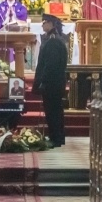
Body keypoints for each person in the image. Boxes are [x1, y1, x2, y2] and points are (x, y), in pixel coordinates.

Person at [35, 14, 68, 147]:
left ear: (52, 24)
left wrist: (43, 81)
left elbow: (51, 65)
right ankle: (58, 136)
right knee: (55, 110)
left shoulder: (53, 41)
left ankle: (56, 138)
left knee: (52, 111)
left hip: (52, 83)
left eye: (45, 22)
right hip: (56, 82)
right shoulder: (54, 39)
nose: (42, 25)